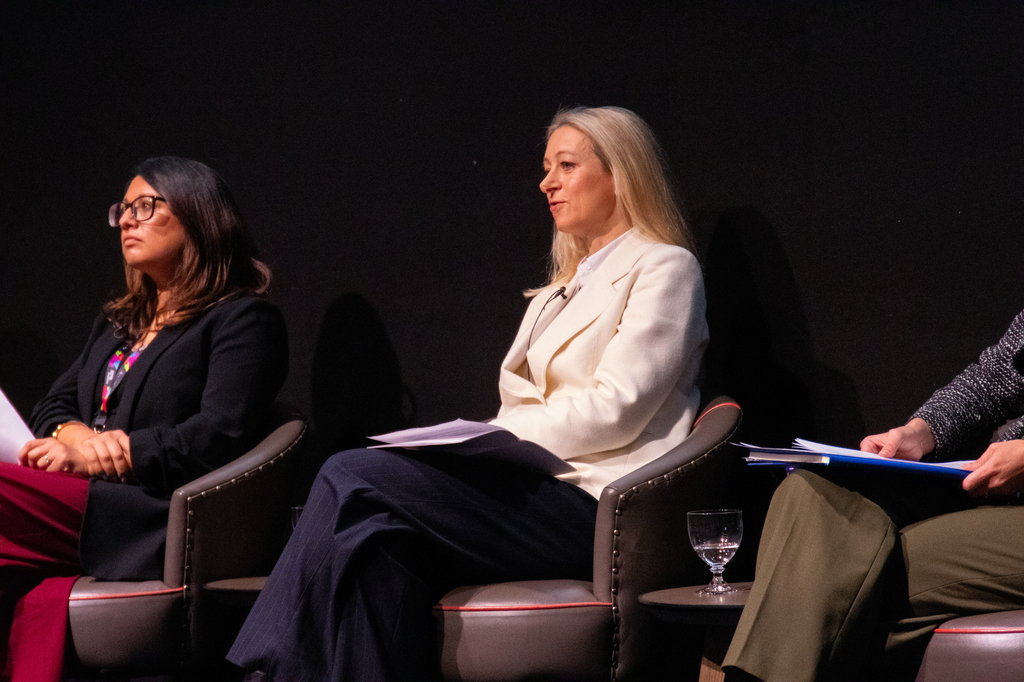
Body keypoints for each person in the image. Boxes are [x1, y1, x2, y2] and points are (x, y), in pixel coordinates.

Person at [227, 105, 709, 681]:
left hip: (595, 506)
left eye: (566, 165)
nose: (547, 182)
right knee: (378, 552)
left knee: (348, 473)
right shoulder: (555, 293)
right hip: (524, 491)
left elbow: (617, 408)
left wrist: (495, 436)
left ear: (620, 176)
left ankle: (263, 668)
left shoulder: (665, 268)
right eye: (545, 167)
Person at [1, 157, 288, 682]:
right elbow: (52, 405)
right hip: (81, 495)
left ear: (199, 215)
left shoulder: (243, 320)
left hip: (150, 515)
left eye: (146, 206)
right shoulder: (119, 323)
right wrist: (77, 437)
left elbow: (219, 433)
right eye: (124, 209)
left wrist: (115, 455)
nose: (127, 220)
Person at [723, 309, 1024, 682]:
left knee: (850, 573)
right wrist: (921, 431)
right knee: (814, 489)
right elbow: (992, 381)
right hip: (991, 493)